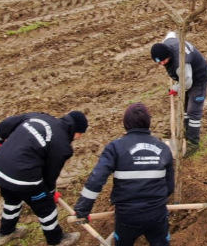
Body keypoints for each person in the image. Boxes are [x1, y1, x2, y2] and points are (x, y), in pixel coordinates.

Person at [74, 103, 174, 246]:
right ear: (148, 122)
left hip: (127, 217)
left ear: (126, 123)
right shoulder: (163, 148)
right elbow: (170, 187)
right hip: (157, 215)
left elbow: (96, 180)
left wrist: (82, 209)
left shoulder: (115, 147)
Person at [0, 111, 88, 246]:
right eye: (80, 133)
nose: (79, 137)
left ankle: (6, 233)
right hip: (22, 175)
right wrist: (50, 194)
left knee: (12, 200)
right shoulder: (62, 145)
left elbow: (4, 126)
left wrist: (0, 142)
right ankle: (57, 240)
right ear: (76, 130)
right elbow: (49, 175)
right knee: (46, 207)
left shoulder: (39, 117)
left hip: (0, 167)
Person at [150, 31, 207, 156]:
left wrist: (176, 88)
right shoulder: (168, 42)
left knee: (193, 111)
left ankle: (193, 143)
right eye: (159, 62)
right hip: (186, 76)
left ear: (169, 55)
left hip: (198, 78)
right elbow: (172, 33)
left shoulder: (180, 64)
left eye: (163, 61)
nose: (162, 64)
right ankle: (185, 132)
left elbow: (187, 83)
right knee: (185, 107)